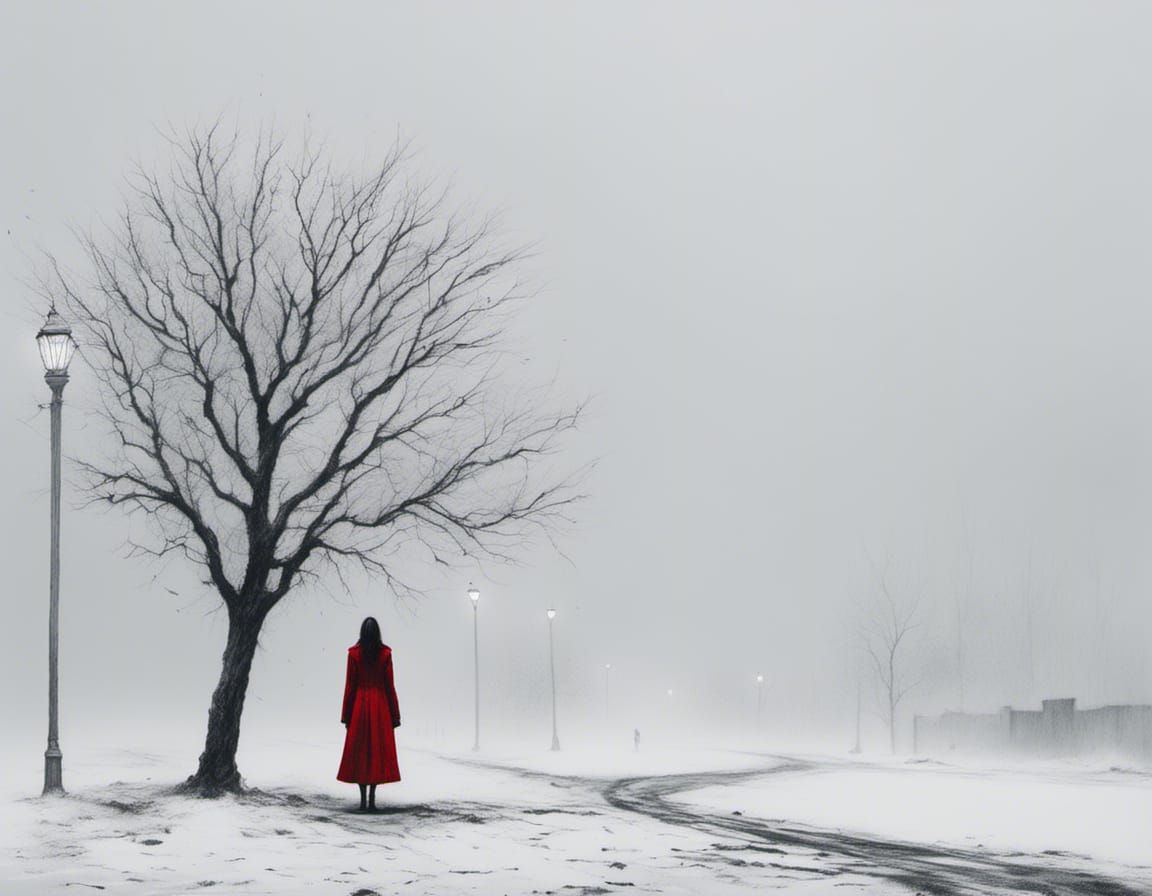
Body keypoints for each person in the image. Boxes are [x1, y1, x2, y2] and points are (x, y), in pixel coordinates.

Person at [337, 617, 401, 810]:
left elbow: (350, 686)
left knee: (360, 752)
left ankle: (363, 800)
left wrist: (346, 715)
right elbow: (390, 686)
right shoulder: (385, 654)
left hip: (360, 705)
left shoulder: (354, 654)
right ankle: (372, 799)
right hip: (380, 705)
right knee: (376, 752)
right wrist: (395, 715)